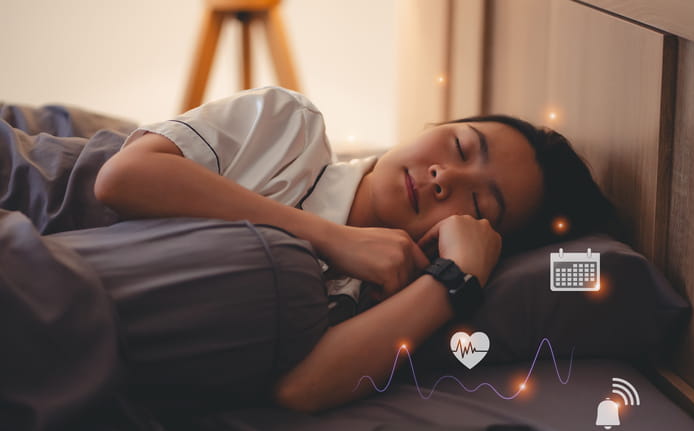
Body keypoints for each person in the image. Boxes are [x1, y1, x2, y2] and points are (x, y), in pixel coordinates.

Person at [93, 86, 618, 413]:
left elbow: (300, 391)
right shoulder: (290, 127)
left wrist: (455, 277)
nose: (444, 176)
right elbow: (123, 177)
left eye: (478, 203)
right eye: (459, 145)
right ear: (433, 127)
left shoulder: (381, 298)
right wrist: (331, 238)